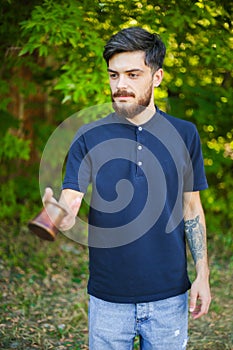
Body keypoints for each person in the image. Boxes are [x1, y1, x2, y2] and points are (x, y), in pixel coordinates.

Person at [43, 27, 211, 349]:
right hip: (108, 300)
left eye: (133, 74)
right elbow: (70, 205)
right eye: (114, 75)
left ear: (157, 77)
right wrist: (59, 216)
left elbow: (192, 209)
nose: (120, 85)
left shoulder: (185, 134)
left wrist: (202, 274)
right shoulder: (88, 137)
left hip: (170, 298)